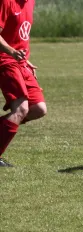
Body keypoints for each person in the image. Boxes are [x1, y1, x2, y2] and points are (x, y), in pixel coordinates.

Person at [0, 0, 47, 167]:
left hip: (19, 62)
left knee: (38, 109)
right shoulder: (6, 2)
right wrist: (12, 52)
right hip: (4, 59)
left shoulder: (30, 2)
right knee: (21, 109)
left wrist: (25, 60)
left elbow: (20, 36)